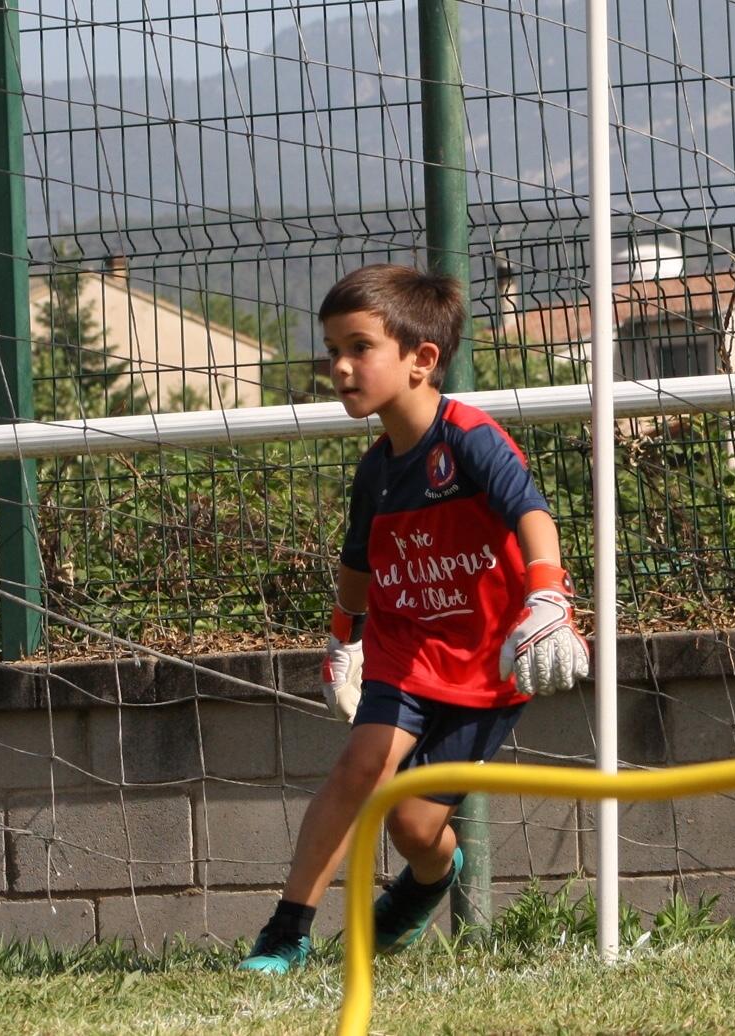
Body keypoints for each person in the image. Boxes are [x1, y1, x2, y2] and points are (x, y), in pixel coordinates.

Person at [237, 264, 589, 973]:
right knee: (360, 768)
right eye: (331, 350)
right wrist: (343, 639)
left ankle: (429, 880)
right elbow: (358, 565)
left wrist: (548, 595)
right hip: (404, 653)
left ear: (421, 359)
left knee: (413, 824)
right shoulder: (375, 471)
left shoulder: (470, 439)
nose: (339, 366)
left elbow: (533, 514)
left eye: (358, 347)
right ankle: (285, 932)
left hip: (487, 664)